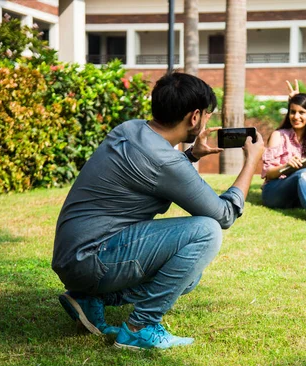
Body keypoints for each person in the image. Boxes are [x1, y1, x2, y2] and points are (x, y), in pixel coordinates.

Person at [51, 72, 264, 350]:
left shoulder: (129, 129)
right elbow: (223, 216)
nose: (208, 121)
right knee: (206, 232)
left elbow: (151, 169)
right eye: (208, 115)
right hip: (93, 257)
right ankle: (141, 327)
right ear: (195, 116)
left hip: (75, 254)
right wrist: (252, 163)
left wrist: (191, 155)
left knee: (188, 276)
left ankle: (90, 298)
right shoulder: (166, 162)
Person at [261, 93, 306, 225]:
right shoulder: (278, 135)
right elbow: (269, 174)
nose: (296, 117)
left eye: (301, 113)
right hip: (275, 191)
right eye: (293, 112)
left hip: (302, 192)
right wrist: (286, 167)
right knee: (303, 173)